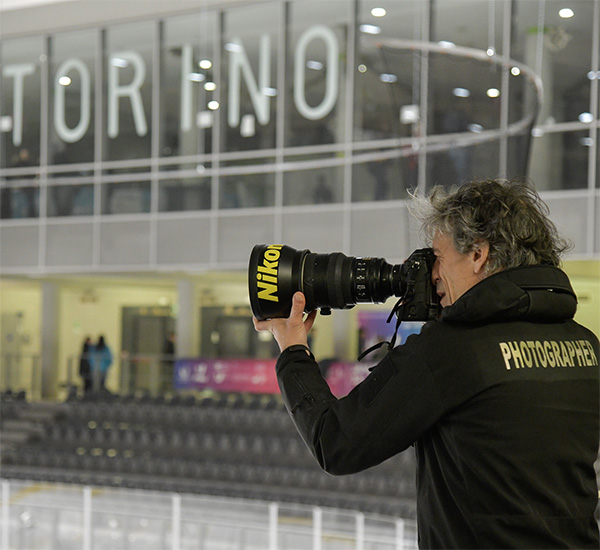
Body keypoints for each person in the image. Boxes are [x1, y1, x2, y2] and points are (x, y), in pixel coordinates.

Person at [253, 179, 600, 549]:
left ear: (478, 254)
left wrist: (292, 349)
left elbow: (337, 442)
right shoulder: (585, 346)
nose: (432, 272)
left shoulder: (454, 350)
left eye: (439, 255)